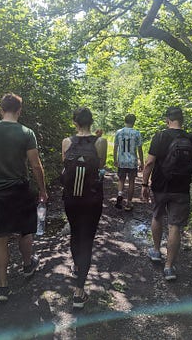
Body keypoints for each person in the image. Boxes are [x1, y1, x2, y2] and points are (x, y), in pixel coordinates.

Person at [0, 92, 48, 303]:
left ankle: (3, 287)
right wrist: (42, 189)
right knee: (25, 232)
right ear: (19, 110)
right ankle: (27, 266)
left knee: (1, 238)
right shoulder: (26, 132)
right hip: (20, 189)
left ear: (0, 109)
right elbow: (35, 164)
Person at [141, 107, 192, 281]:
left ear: (167, 120)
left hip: (161, 185)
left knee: (157, 216)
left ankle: (156, 251)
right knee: (175, 226)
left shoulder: (160, 136)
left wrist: (145, 184)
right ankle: (169, 268)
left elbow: (149, 163)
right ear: (182, 120)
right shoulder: (191, 139)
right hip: (182, 188)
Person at [61, 107, 107, 309]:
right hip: (92, 198)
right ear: (91, 122)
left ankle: (77, 265)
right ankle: (79, 291)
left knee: (75, 234)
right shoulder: (101, 142)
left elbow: (64, 165)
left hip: (71, 198)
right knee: (87, 239)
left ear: (75, 122)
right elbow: (102, 164)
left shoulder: (66, 142)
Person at [113, 114, 144, 211]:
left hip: (121, 160)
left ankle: (119, 195)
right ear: (134, 122)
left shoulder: (119, 132)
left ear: (124, 121)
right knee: (131, 182)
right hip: (132, 161)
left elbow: (115, 147)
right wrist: (141, 162)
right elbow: (139, 149)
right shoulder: (137, 133)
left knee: (121, 179)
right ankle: (128, 203)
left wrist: (115, 159)